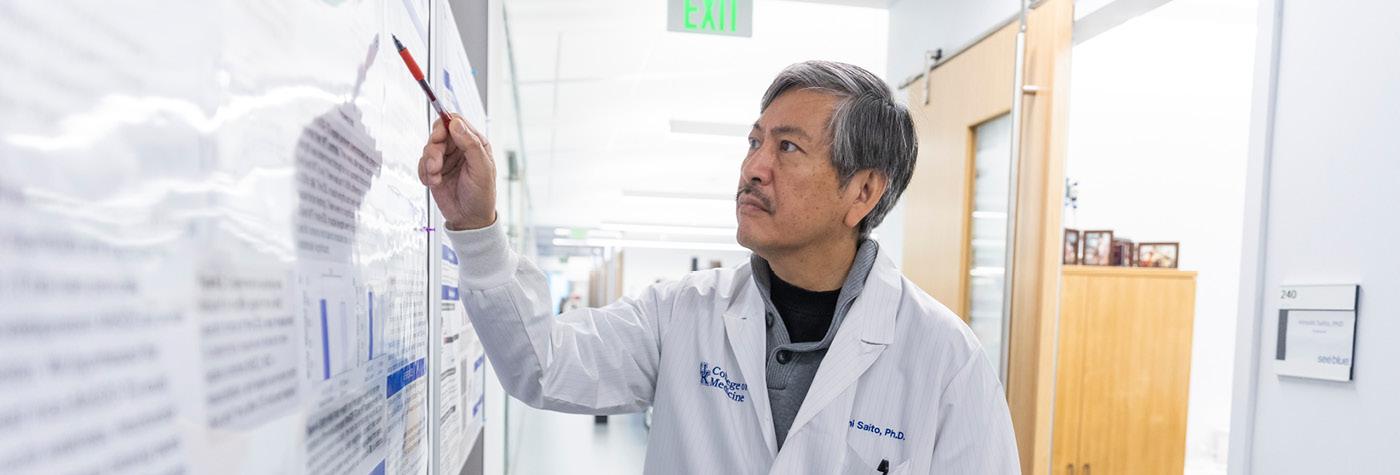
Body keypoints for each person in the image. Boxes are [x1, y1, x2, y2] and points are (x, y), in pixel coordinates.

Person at [418, 60, 1019, 473]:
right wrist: (477, 228)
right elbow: (540, 364)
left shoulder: (946, 361)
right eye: (754, 141)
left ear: (862, 193)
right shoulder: (682, 313)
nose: (754, 167)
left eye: (787, 147)